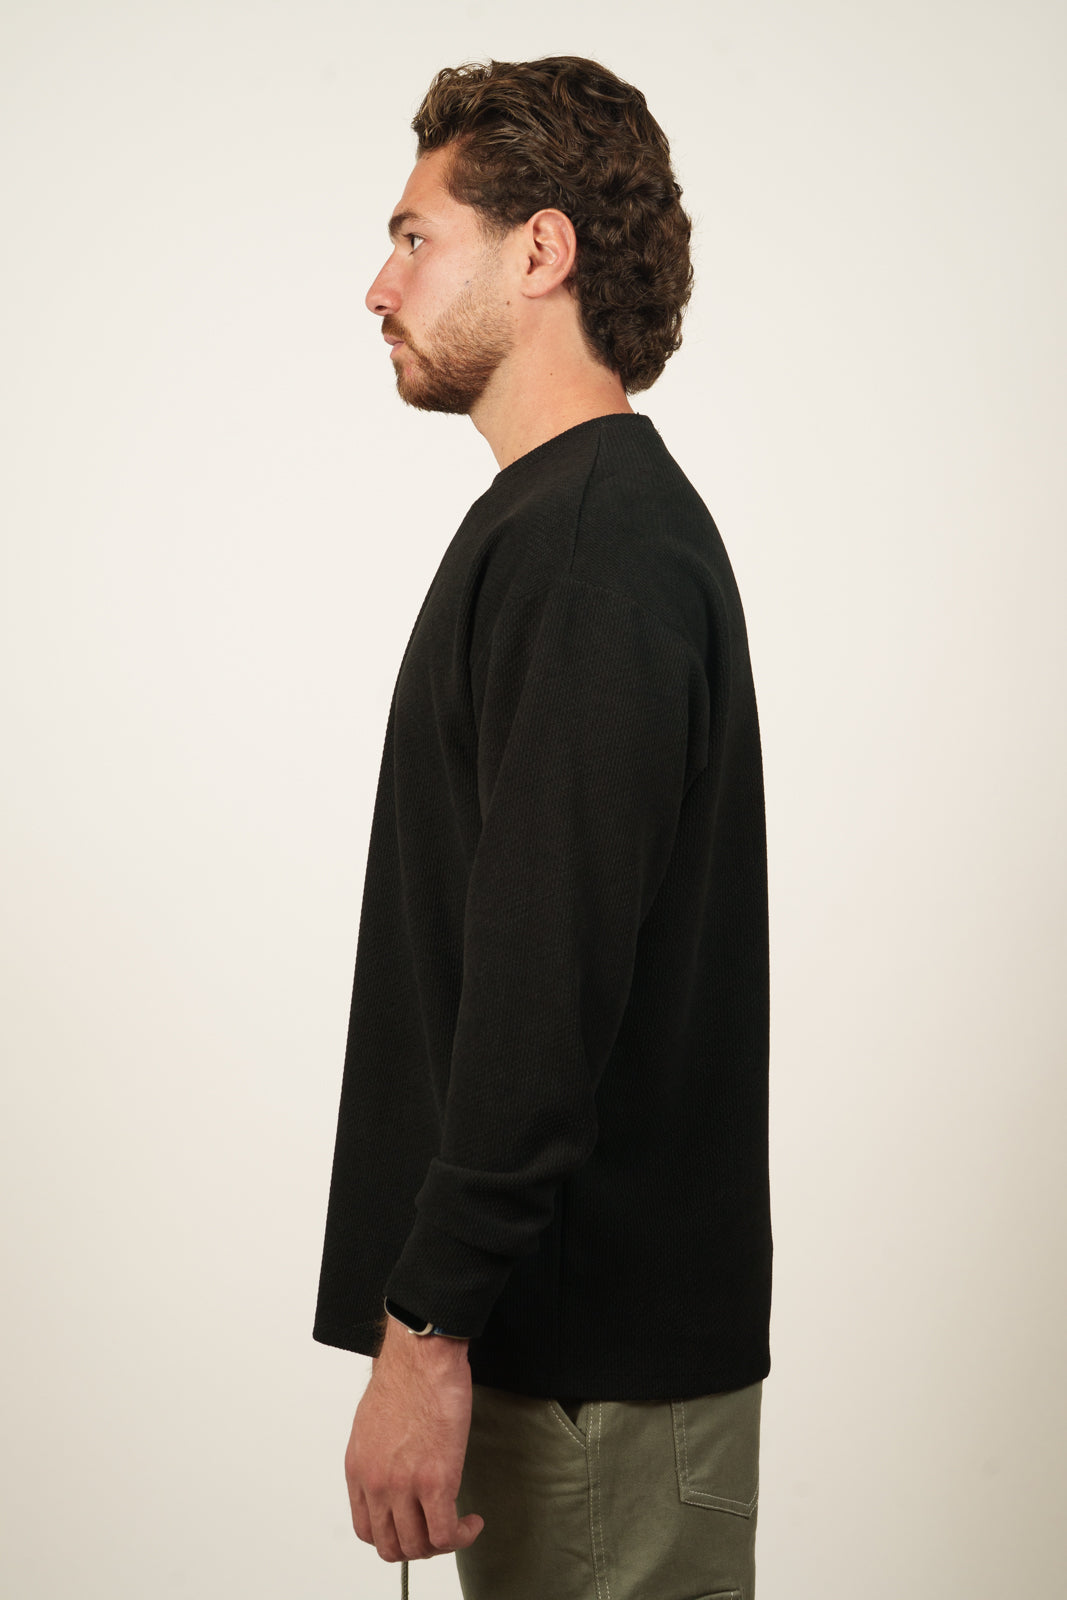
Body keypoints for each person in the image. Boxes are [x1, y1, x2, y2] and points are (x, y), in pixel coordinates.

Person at [314, 55, 772, 1600]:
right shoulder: (568, 528)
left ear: (542, 251)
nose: (380, 285)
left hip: (590, 1383)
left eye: (415, 236)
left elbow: (542, 984)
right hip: (571, 1367)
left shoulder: (589, 553)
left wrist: (425, 1326)